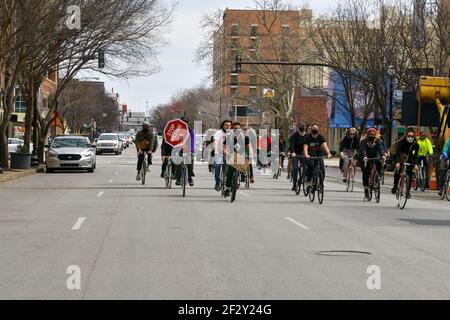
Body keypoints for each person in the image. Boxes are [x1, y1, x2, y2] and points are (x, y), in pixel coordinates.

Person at [224, 122, 254, 197]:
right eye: (235, 128)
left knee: (246, 161)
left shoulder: (245, 137)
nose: (236, 129)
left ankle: (243, 174)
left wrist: (250, 154)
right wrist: (225, 151)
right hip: (231, 155)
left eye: (238, 128)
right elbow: (224, 146)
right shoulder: (229, 137)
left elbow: (249, 147)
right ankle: (227, 188)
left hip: (241, 155)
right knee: (230, 171)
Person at [389, 128, 419, 197]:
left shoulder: (416, 145)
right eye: (409, 136)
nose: (410, 138)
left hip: (409, 159)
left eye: (412, 136)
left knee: (410, 174)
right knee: (398, 171)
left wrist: (416, 164)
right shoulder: (402, 142)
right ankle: (395, 185)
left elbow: (415, 156)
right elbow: (398, 152)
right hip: (400, 157)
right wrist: (397, 162)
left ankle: (407, 192)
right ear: (406, 136)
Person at [359, 128, 386, 199]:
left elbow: (380, 149)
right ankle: (366, 190)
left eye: (373, 134)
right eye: (370, 134)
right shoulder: (363, 142)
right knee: (365, 173)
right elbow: (363, 150)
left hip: (374, 155)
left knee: (379, 161)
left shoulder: (377, 141)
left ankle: (379, 175)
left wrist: (383, 155)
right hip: (365, 157)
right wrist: (365, 157)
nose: (372, 136)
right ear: (368, 135)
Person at [303, 124, 333, 188]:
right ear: (311, 130)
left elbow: (325, 146)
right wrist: (306, 155)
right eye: (313, 129)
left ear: (318, 130)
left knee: (322, 170)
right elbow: (305, 147)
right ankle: (308, 181)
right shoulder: (308, 137)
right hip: (310, 156)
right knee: (311, 166)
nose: (315, 130)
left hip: (319, 156)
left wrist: (328, 154)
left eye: (316, 129)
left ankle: (320, 183)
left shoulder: (320, 137)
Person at [174, 116, 195, 187]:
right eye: (183, 122)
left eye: (185, 122)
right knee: (178, 162)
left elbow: (192, 141)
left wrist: (191, 150)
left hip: (188, 149)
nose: (184, 123)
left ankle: (190, 177)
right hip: (179, 148)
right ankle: (178, 178)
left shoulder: (191, 130)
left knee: (190, 161)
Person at [214, 120, 233, 191]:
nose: (227, 126)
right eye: (226, 125)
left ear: (231, 126)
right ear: (223, 125)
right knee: (217, 165)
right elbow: (216, 141)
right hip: (219, 151)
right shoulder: (218, 132)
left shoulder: (232, 133)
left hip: (229, 152)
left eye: (229, 125)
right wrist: (216, 150)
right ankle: (217, 182)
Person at [289, 122, 308, 191]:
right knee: (295, 168)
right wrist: (293, 152)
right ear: (298, 127)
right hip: (295, 153)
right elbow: (292, 145)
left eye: (304, 126)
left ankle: (301, 180)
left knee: (306, 167)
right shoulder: (294, 135)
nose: (302, 127)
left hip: (303, 152)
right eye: (301, 126)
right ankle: (294, 184)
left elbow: (308, 146)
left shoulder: (307, 136)